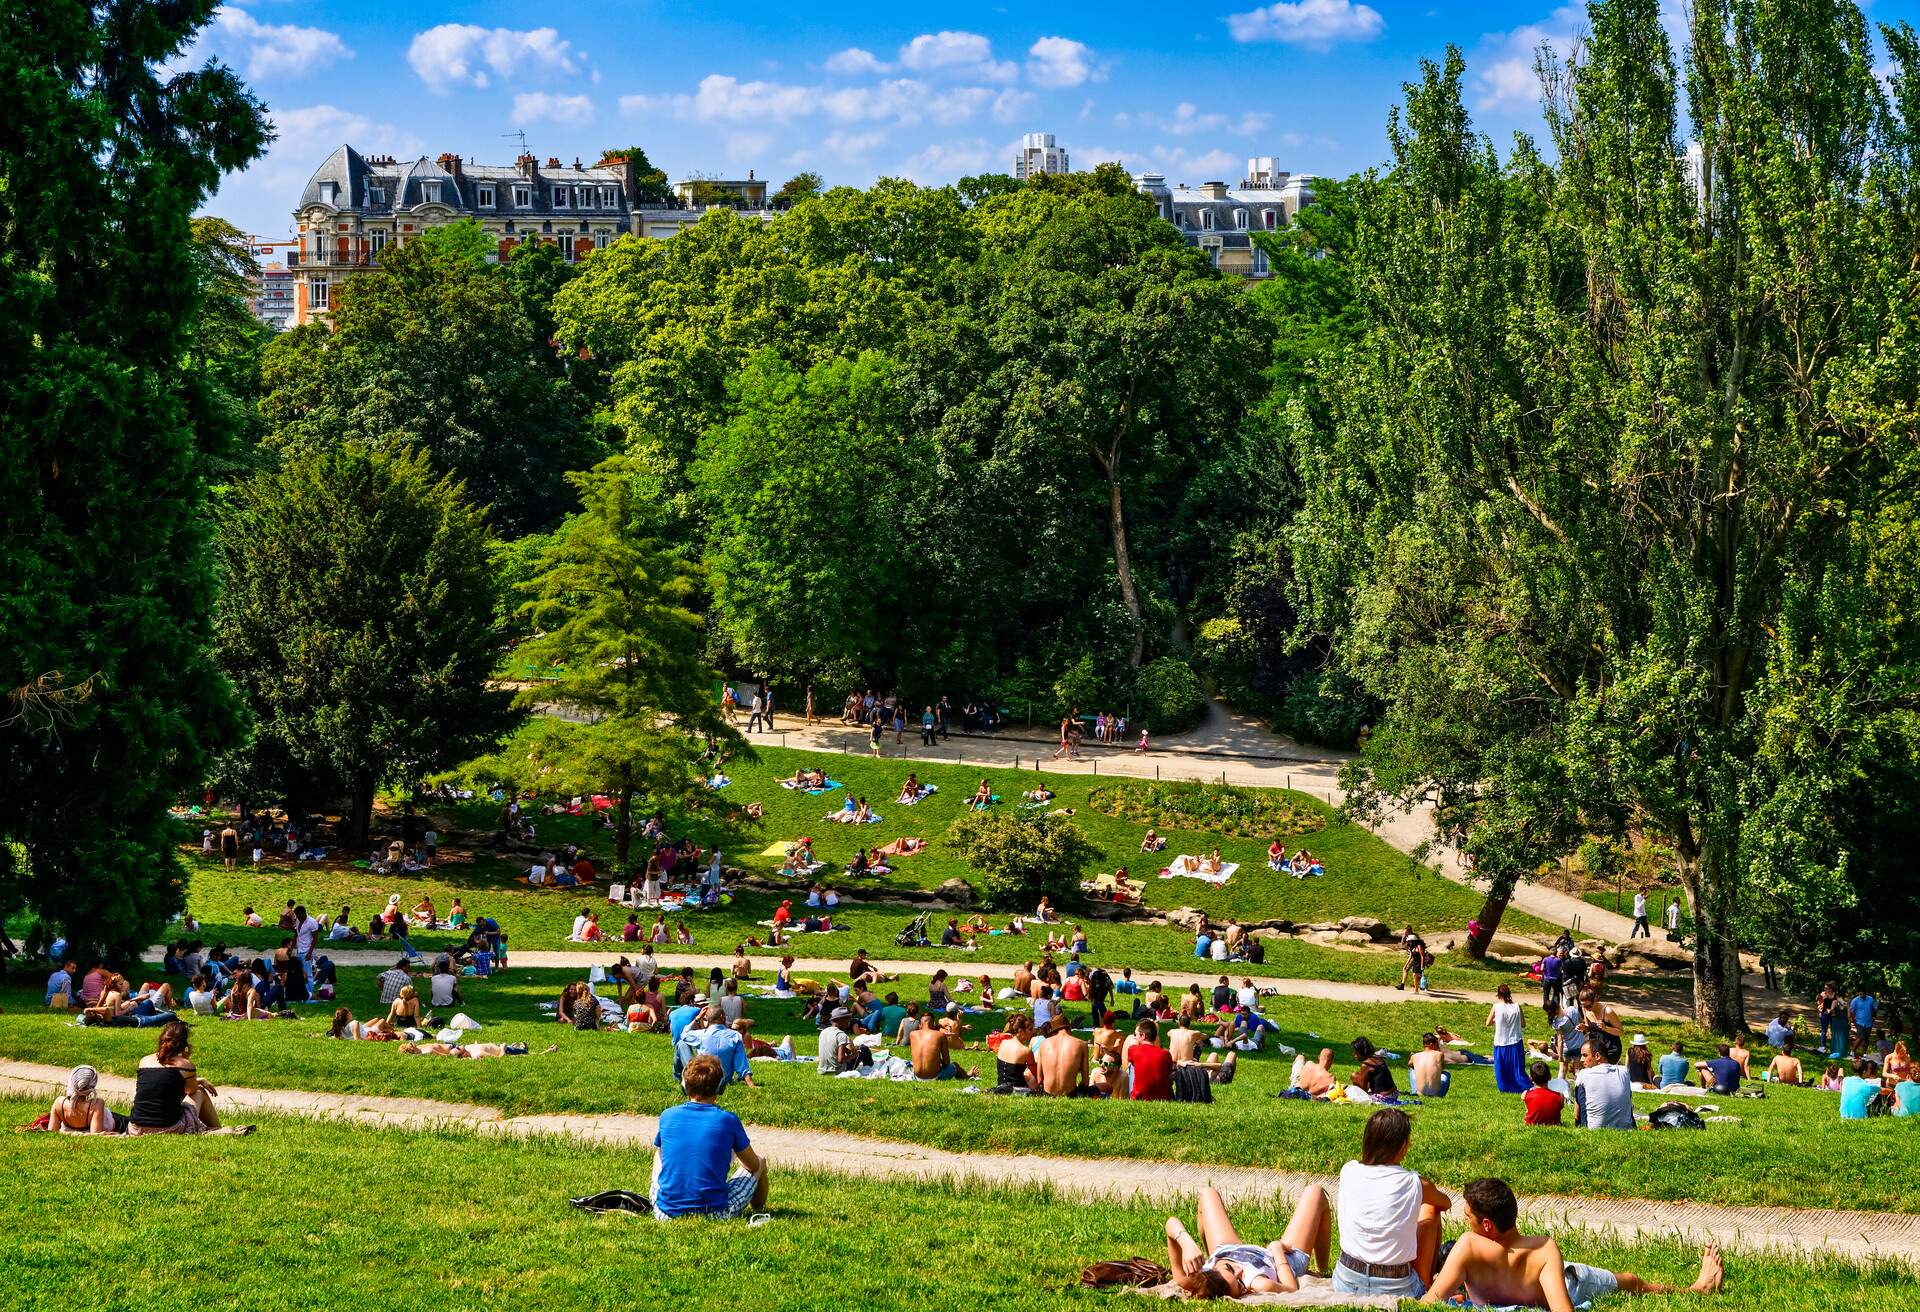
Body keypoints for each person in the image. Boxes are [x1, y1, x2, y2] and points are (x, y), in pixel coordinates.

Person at [1420, 1177, 1724, 1309]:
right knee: (1629, 1282)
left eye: (1469, 1217)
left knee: (1630, 1282)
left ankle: (1697, 1290)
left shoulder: (1468, 1247)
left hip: (1563, 1281)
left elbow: (1429, 1302)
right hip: (1561, 1283)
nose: (1466, 1223)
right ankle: (1695, 1288)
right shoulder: (1542, 1248)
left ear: (1487, 1225)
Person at [1333, 1108, 1449, 1298]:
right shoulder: (1415, 1183)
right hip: (1398, 1287)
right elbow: (1445, 1203)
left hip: (1346, 1282)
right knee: (1430, 1208)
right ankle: (1425, 1281)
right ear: (1402, 1146)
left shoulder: (1349, 1170)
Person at [651, 1053, 769, 1220]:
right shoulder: (728, 1120)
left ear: (684, 1085)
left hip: (664, 1213)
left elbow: (664, 1155)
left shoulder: (667, 1115)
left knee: (658, 1152)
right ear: (720, 1087)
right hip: (715, 1213)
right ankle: (759, 1209)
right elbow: (752, 1165)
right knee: (761, 1161)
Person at [1164, 1184, 1332, 1299]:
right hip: (1284, 1260)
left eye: (1229, 1268)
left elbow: (1170, 1223)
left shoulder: (1197, 1279)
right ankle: (1323, 1269)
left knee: (1208, 1194)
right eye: (1239, 1283)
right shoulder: (1258, 1283)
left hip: (1227, 1250)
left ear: (1208, 1272)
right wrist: (1277, 1249)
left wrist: (1187, 1243)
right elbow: (1291, 1288)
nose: (1240, 1271)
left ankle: (1221, 1260)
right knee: (1315, 1193)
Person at [127, 1021, 250, 1135]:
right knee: (200, 1092)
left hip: (136, 1127)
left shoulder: (144, 1061)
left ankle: (218, 1129)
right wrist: (187, 1060)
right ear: (184, 1045)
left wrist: (199, 1080)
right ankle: (218, 1128)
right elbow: (190, 1090)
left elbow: (161, 1085)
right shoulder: (185, 1066)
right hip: (167, 1127)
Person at [1572, 1045, 1635, 1130]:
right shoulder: (1624, 1071)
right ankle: (1631, 1124)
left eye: (1585, 1055)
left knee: (1579, 1087)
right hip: (1626, 1127)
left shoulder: (1584, 1073)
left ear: (1597, 1056)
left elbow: (1578, 1101)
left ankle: (1581, 1125)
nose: (1581, 1059)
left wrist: (1576, 1119)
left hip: (1595, 1128)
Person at [48, 1065, 121, 1134]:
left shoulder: (59, 1103)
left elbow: (51, 1131)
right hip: (117, 1122)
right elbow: (96, 1134)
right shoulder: (96, 1104)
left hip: (110, 1117)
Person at [1488, 985, 1527, 1093]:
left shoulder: (1496, 1007)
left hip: (1501, 1041)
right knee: (1517, 1068)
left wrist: (1497, 1020)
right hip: (1516, 1040)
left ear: (1499, 994)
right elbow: (1523, 1024)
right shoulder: (1517, 1006)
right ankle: (1521, 1085)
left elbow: (1488, 1022)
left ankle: (1505, 1086)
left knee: (1502, 1068)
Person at [1125, 1019, 1174, 1100]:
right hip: (1163, 1097)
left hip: (1139, 1097)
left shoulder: (1133, 1049)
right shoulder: (1166, 1053)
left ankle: (1133, 1094)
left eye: (1135, 1034)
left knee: (1132, 1064)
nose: (1134, 1037)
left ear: (1143, 1036)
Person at [1522, 1061, 1563, 1126]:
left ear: (1530, 1078)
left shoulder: (1525, 1094)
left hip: (1531, 1124)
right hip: (1554, 1124)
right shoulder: (1560, 1096)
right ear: (1550, 1077)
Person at [1409, 1033, 1450, 1099]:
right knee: (1446, 1073)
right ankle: (1440, 1095)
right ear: (1431, 1044)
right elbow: (1441, 1068)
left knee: (1412, 1070)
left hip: (1420, 1094)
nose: (1438, 1047)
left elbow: (1410, 1065)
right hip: (1436, 1094)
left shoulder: (1415, 1056)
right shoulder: (1439, 1054)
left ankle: (1415, 1092)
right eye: (1437, 1045)